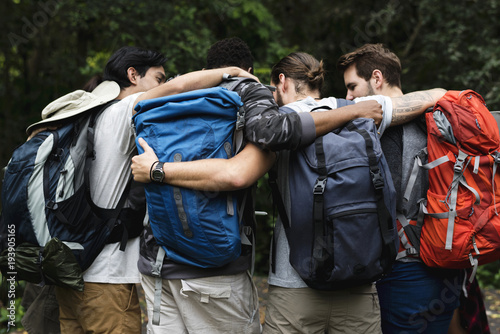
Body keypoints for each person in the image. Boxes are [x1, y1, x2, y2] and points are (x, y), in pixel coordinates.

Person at [131, 40, 445, 333]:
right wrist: (444, 94)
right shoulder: (360, 111)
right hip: (360, 283)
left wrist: (157, 170)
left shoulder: (277, 122)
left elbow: (237, 173)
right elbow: (422, 99)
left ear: (281, 82)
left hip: (294, 283)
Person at [48, 45, 257, 334]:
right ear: (133, 75)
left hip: (70, 269)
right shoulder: (124, 110)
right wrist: (232, 72)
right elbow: (180, 86)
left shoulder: (87, 114)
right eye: (159, 79)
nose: (164, 85)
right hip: (106, 277)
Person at [337, 43, 466, 333]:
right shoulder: (438, 121)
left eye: (352, 86)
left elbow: (385, 197)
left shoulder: (389, 130)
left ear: (377, 78)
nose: (348, 97)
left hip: (406, 271)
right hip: (448, 262)